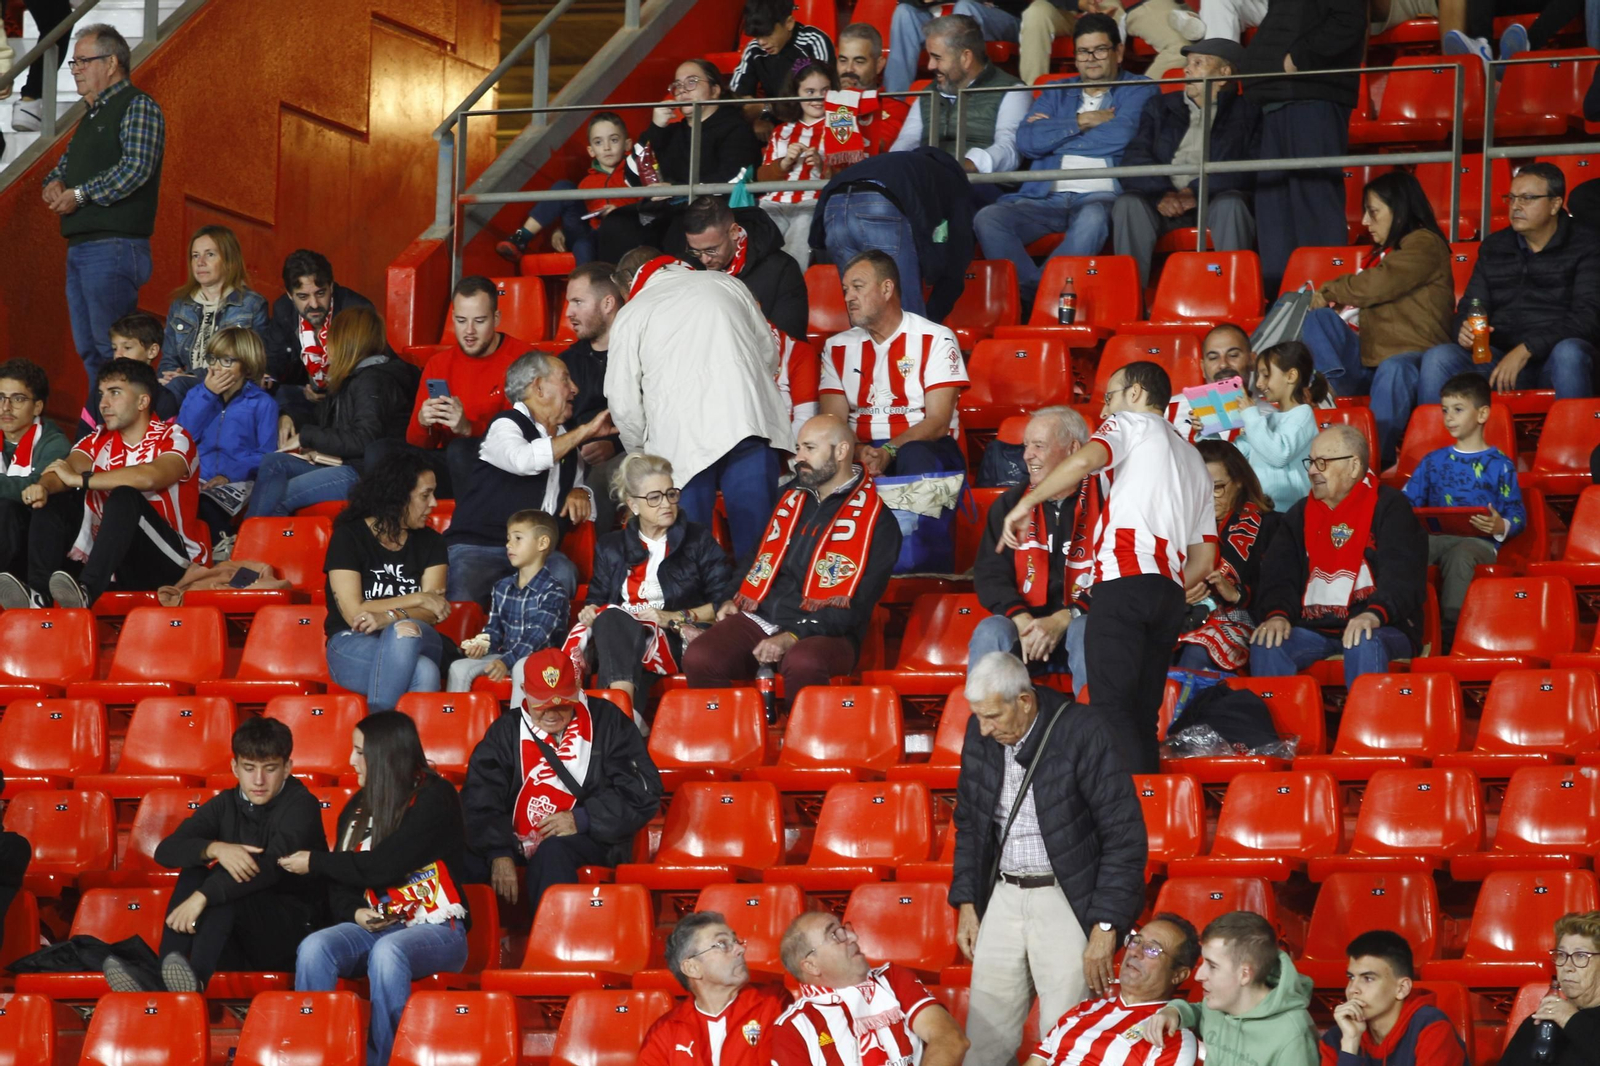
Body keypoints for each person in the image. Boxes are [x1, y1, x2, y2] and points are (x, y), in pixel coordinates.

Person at [999, 361, 1216, 773]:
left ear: (1135, 394)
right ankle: (1148, 800)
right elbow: (1204, 560)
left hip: (1124, 581)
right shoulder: (1195, 460)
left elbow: (1084, 462)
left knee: (1111, 708)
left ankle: (1122, 806)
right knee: (1143, 715)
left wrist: (1027, 502)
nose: (1104, 410)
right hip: (1169, 594)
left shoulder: (1131, 423)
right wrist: (1162, 583)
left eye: (1110, 397)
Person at [951, 651, 1148, 1066]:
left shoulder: (1083, 730)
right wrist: (968, 902)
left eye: (992, 717)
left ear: (1024, 701)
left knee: (1065, 1042)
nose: (983, 729)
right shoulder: (980, 732)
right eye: (978, 717)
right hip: (1003, 893)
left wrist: (1106, 926)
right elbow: (969, 823)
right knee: (982, 1043)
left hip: (1065, 894)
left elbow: (1124, 836)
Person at [281, 711, 470, 1066]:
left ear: (385, 755)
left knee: (388, 952)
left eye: (359, 752)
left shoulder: (435, 797)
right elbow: (341, 879)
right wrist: (355, 912)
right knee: (314, 948)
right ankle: (316, 1056)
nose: (351, 761)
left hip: (438, 928)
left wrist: (316, 861)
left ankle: (384, 1061)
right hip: (377, 926)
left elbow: (385, 864)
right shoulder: (356, 807)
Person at [682, 414, 901, 702]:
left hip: (826, 630)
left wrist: (793, 635)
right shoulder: (787, 497)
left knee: (802, 661)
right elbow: (755, 556)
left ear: (841, 451)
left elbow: (856, 606)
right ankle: (735, 729)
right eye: (798, 448)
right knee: (701, 657)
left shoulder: (878, 522)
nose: (799, 458)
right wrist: (730, 598)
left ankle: (804, 732)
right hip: (763, 616)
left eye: (809, 448)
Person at [101, 718, 328, 994]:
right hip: (235, 938)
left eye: (270, 769)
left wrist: (203, 896)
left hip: (290, 937)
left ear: (287, 768)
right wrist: (215, 848)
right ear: (235, 768)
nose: (258, 780)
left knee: (226, 881)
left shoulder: (301, 805)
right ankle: (167, 976)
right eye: (249, 768)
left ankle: (191, 982)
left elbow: (271, 867)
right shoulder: (226, 803)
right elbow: (167, 851)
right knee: (195, 870)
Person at [606, 247, 792, 561]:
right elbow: (769, 352)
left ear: (627, 280)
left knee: (687, 554)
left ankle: (695, 596)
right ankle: (756, 594)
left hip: (680, 444)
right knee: (759, 550)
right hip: (746, 423)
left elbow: (623, 402)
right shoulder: (725, 282)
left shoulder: (632, 313)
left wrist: (642, 455)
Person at [972, 15, 1157, 308]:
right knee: (988, 218)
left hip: (1102, 197)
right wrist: (1083, 121)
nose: (1091, 59)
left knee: (1093, 218)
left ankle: (1033, 299)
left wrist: (1053, 132)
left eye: (1100, 50)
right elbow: (1027, 141)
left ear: (1119, 52)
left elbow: (1123, 135)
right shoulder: (1056, 90)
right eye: (1083, 52)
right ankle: (1038, 294)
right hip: (1044, 197)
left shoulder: (1140, 88)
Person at [460, 650, 661, 913]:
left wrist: (583, 818)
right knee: (456, 858)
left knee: (553, 852)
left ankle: (554, 936)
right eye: (542, 705)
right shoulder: (506, 731)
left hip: (590, 838)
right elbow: (480, 796)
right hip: (512, 838)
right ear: (524, 691)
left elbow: (642, 790)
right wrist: (498, 851)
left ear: (577, 688)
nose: (552, 714)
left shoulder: (608, 722)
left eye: (562, 704)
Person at [0, 358, 208, 611]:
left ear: (142, 401)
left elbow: (151, 476)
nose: (103, 404)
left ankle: (86, 591)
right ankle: (38, 595)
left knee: (124, 497)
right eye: (101, 394)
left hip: (169, 561)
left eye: (115, 393)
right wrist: (44, 487)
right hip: (114, 561)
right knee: (53, 502)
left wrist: (83, 480)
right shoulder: (97, 439)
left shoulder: (174, 436)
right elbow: (64, 469)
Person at [1250, 425, 1428, 688]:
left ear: (1354, 466)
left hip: (1384, 625)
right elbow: (1278, 575)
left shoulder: (1390, 506)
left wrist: (1374, 614)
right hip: (1313, 628)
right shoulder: (1299, 514)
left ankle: (1365, 716)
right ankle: (1275, 716)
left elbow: (1403, 574)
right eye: (1311, 462)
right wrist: (1278, 615)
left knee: (1363, 638)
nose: (1312, 471)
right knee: (1267, 641)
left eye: (1322, 463)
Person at [1300, 170, 1453, 467]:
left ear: (1399, 211)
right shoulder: (1389, 251)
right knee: (1319, 319)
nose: (1365, 222)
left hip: (1413, 361)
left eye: (1373, 212)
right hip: (1371, 361)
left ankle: (1373, 463)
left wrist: (1329, 290)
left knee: (1394, 367)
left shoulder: (1425, 243)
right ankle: (1328, 393)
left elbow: (1377, 284)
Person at [41, 23, 164, 383]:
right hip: (83, 245)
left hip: (113, 245)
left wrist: (80, 194)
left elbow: (136, 168)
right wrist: (54, 185)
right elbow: (61, 170)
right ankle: (102, 418)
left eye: (83, 61)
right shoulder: (91, 116)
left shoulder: (137, 105)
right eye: (74, 62)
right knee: (92, 351)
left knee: (113, 351)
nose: (75, 69)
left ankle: (123, 416)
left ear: (111, 63)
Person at [1419, 163, 1600, 404]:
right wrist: (1464, 329)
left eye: (1527, 198)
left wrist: (1527, 349)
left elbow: (1588, 317)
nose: (1516, 206)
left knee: (1570, 353)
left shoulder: (1586, 244)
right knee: (1439, 357)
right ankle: (1433, 430)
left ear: (1555, 204)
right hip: (1500, 360)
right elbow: (1473, 304)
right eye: (1512, 198)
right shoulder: (1495, 247)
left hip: (1555, 359)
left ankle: (1575, 429)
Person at [571, 454, 738, 704]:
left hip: (672, 637)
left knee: (618, 635)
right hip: (621, 637)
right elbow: (596, 599)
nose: (666, 504)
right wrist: (590, 610)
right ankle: (627, 714)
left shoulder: (697, 539)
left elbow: (724, 602)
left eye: (671, 494)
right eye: (654, 497)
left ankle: (620, 713)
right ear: (633, 505)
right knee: (612, 620)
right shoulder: (611, 546)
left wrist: (672, 617)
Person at [443, 351, 599, 607]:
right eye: (565, 379)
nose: (575, 389)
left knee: (563, 572)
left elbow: (581, 494)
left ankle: (538, 635)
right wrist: (586, 431)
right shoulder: (505, 424)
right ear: (538, 387)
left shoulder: (567, 442)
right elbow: (524, 460)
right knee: (464, 591)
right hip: (480, 547)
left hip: (539, 554)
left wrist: (582, 491)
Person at [1112, 38, 1260, 290]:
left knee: (1233, 205)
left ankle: (1236, 295)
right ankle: (1128, 298)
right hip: (1163, 201)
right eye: (1187, 64)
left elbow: (1250, 167)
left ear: (1223, 74)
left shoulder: (1248, 112)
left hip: (1215, 200)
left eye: (1198, 63)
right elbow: (1135, 157)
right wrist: (1162, 193)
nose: (1186, 70)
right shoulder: (1160, 107)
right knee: (1128, 204)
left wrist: (1196, 191)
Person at [1239, 0, 1366, 293]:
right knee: (1274, 207)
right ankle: (1283, 300)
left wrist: (1299, 57)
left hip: (1311, 96)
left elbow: (1349, 20)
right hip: (1276, 99)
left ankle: (1326, 297)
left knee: (1313, 199)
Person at [252, 307, 419, 518]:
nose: (325, 346)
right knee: (272, 463)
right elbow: (323, 419)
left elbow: (364, 439)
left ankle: (275, 537)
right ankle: (250, 535)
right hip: (343, 464)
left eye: (330, 339)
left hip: (363, 474)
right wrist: (291, 417)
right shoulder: (350, 377)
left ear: (346, 342)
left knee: (282, 495)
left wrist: (306, 436)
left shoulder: (373, 380)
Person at [1401, 373, 1527, 648]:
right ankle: (1402, 623)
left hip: (1479, 543)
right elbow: (1406, 502)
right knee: (1405, 548)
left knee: (1462, 555)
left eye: (1458, 410)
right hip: (1436, 538)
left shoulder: (1500, 464)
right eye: (1445, 410)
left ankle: (1450, 634)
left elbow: (1517, 514)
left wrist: (1500, 526)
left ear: (1482, 414)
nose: (1449, 418)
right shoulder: (1432, 461)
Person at [818, 250, 969, 477]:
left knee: (915, 455)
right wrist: (858, 450)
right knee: (820, 454)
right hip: (860, 448)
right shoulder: (836, 347)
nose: (849, 297)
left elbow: (938, 422)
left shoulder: (936, 338)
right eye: (846, 290)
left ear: (886, 289)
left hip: (926, 447)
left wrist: (889, 450)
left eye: (858, 287)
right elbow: (834, 422)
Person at [322, 455, 451, 712]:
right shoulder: (349, 537)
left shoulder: (432, 542)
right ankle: (402, 738)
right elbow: (354, 613)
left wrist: (389, 617)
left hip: (419, 636)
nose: (434, 503)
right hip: (352, 641)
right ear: (397, 496)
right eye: (425, 495)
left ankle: (376, 734)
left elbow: (432, 612)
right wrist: (418, 598)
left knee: (403, 631)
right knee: (424, 671)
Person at [969, 407, 1092, 673]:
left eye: (1039, 445)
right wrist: (1020, 617)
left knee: (1085, 629)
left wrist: (1065, 618)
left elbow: (1119, 576)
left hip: (1084, 619)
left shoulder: (1107, 501)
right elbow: (990, 574)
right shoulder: (1011, 505)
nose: (1027, 455)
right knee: (991, 630)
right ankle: (986, 703)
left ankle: (1092, 703)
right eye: (1026, 446)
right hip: (1027, 626)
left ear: (1072, 449)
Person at [602, 61, 762, 261]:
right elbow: (631, 177)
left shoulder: (735, 129)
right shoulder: (669, 133)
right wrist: (655, 128)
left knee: (682, 227)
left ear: (714, 90)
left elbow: (734, 179)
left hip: (710, 210)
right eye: (677, 85)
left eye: (692, 82)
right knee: (617, 222)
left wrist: (677, 191)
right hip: (665, 211)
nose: (683, 89)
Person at [770, 910, 969, 1066]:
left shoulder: (893, 979)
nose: (852, 937)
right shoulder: (793, 1028)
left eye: (845, 929)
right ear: (811, 966)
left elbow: (950, 1039)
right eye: (835, 935)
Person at [810, 146, 975, 322]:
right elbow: (958, 254)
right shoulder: (952, 181)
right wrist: (931, 320)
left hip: (833, 206)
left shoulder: (901, 164)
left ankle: (866, 341)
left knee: (860, 309)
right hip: (878, 202)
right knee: (903, 312)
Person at [1140, 911, 1320, 1065]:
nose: (1198, 976)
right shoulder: (1219, 1004)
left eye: (1212, 966)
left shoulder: (1294, 1036)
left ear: (1245, 974)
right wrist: (1175, 1011)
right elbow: (1199, 1012)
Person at [1022, 914, 1202, 1066]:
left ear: (1178, 975)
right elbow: (1037, 1062)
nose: (1135, 952)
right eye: (1135, 941)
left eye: (1152, 950)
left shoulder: (1173, 1036)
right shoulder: (1084, 1010)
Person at [890, 15, 1028, 199]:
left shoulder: (1011, 90)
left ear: (966, 58)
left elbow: (1009, 149)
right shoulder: (928, 93)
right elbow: (908, 139)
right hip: (926, 180)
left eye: (937, 58)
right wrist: (894, 165)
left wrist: (965, 164)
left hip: (979, 185)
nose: (930, 66)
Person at [1174, 439, 1279, 673]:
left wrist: (1237, 594)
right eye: (1198, 488)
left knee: (1196, 652)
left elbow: (1280, 592)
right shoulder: (1175, 526)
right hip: (1180, 615)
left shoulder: (1270, 525)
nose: (1207, 497)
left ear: (1239, 481)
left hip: (1242, 618)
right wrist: (1176, 596)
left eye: (1217, 487)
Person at [637, 911, 792, 1066]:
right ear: (692, 968)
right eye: (722, 944)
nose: (740, 949)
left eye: (736, 941)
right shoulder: (664, 1032)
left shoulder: (773, 1005)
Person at [403, 275, 535, 454]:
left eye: (479, 321)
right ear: (453, 318)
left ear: (496, 318)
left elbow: (527, 438)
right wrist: (423, 423)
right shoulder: (438, 364)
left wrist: (469, 429)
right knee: (380, 450)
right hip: (447, 458)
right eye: (461, 320)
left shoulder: (524, 359)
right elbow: (416, 445)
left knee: (458, 449)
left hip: (497, 460)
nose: (469, 331)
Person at [448, 510, 569, 692]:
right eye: (508, 538)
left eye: (518, 538)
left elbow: (536, 636)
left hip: (544, 662)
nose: (508, 544)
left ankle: (518, 712)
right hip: (507, 656)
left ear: (542, 543)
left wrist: (507, 661)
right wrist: (482, 645)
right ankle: (456, 711)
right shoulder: (501, 587)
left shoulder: (553, 591)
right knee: (458, 667)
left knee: (521, 667)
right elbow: (494, 630)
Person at [177, 327, 279, 543]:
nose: (215, 367)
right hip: (197, 476)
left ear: (247, 367)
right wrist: (207, 395)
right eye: (212, 359)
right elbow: (183, 437)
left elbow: (266, 455)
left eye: (226, 361)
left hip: (238, 480)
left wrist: (228, 475)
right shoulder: (196, 395)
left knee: (207, 507)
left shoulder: (263, 403)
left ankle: (224, 548)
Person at [495, 112, 637, 265]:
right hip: (591, 234)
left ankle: (590, 279)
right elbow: (577, 215)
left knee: (582, 247)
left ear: (627, 144)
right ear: (591, 150)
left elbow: (648, 210)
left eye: (614, 140)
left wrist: (620, 213)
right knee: (564, 188)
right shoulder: (585, 183)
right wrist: (562, 229)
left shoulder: (636, 174)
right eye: (598, 142)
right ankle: (520, 238)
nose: (607, 147)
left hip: (624, 234)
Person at [1319, 929, 1467, 1065]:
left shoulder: (1431, 1028)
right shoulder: (1337, 1038)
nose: (1352, 989)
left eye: (1368, 979)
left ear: (1402, 988)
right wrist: (1350, 1044)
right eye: (1351, 977)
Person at [673, 196, 809, 343]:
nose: (705, 259)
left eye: (711, 250)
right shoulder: (684, 268)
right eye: (696, 251)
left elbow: (789, 340)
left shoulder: (782, 269)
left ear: (734, 232)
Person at [159, 225, 271, 403]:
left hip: (230, 388)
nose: (200, 262)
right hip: (183, 386)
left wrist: (190, 377)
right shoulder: (180, 305)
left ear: (229, 260)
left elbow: (251, 364)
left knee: (177, 388)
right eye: (195, 255)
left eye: (210, 254)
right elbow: (168, 360)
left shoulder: (252, 305)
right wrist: (169, 376)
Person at [262, 248, 376, 420]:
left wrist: (332, 391)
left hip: (349, 399)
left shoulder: (356, 311)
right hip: (305, 395)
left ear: (331, 286)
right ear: (290, 295)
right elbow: (273, 360)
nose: (314, 304)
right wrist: (266, 377)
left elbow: (370, 376)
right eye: (303, 297)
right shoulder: (284, 310)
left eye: (320, 293)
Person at [559, 262, 627, 533]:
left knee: (601, 476)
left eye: (578, 302)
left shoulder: (641, 352)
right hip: (573, 456)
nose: (568, 312)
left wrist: (615, 445)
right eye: (569, 303)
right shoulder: (566, 362)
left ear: (608, 303)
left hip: (630, 453)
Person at [756, 62, 840, 268]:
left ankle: (791, 286)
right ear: (796, 93)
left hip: (811, 203)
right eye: (810, 91)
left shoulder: (840, 126)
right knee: (760, 253)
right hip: (773, 204)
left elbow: (848, 175)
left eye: (825, 91)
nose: (818, 98)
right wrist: (784, 163)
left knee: (794, 255)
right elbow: (762, 177)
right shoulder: (781, 131)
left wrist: (822, 165)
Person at [0, 359, 70, 592]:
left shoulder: (54, 442)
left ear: (38, 407)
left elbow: (37, 485)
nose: (6, 407)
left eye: (18, 399)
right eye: (0, 397)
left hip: (34, 546)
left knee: (7, 508)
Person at [1499, 910, 1600, 1065]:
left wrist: (1571, 1020)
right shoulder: (1539, 1022)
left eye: (1580, 956)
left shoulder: (1569, 1019)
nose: (1567, 966)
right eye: (1561, 955)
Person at [1020, 0, 1194, 87]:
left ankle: (1135, 98)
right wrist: (1078, 2)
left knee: (1182, 47)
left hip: (1131, 6)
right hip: (1069, 11)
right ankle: (1031, 97)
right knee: (1036, 13)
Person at [1235, 340, 1323, 511]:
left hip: (1289, 512)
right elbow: (1235, 457)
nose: (1258, 383)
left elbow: (1279, 455)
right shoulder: (1265, 421)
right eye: (1258, 376)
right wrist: (1209, 431)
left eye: (1266, 375)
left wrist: (1251, 415)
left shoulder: (1303, 414)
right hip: (1260, 509)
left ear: (1291, 376)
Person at [886, 0, 1022, 97]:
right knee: (904, 13)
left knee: (963, 10)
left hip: (995, 10)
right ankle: (894, 103)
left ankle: (964, 97)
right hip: (935, 13)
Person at [81, 312, 179, 437]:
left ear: (152, 351)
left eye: (127, 348)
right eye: (115, 348)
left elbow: (167, 443)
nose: (118, 355)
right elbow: (83, 437)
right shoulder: (100, 392)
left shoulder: (164, 399)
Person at [729, 0, 837, 102]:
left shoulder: (813, 42)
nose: (761, 42)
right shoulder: (754, 49)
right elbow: (735, 99)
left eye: (768, 33)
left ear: (789, 23)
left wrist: (767, 108)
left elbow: (821, 96)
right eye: (757, 36)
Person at [835, 22, 911, 151]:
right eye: (843, 60)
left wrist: (845, 102)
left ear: (879, 65)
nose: (849, 69)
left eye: (859, 62)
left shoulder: (896, 110)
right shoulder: (818, 104)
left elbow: (872, 148)